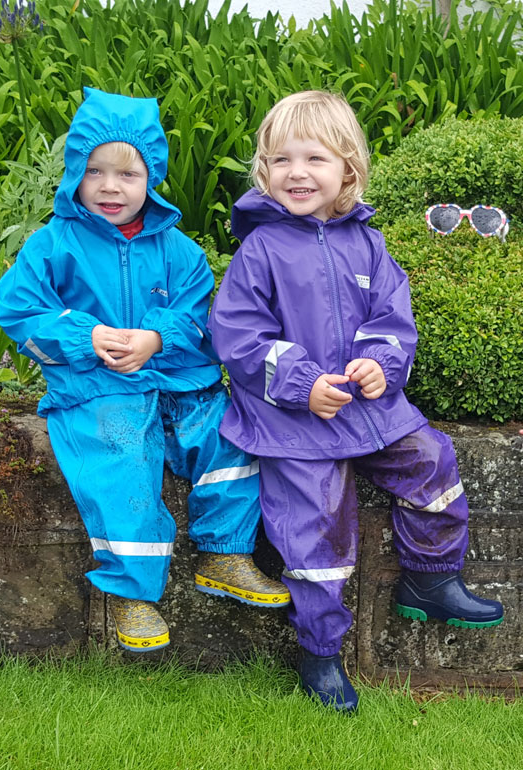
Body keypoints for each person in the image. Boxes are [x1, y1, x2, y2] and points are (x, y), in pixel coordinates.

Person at [208, 91, 504, 712]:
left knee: (432, 458)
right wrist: (301, 382)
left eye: (314, 158)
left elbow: (393, 319)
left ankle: (430, 578)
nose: (296, 173)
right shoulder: (261, 249)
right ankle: (320, 654)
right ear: (264, 172)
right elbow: (237, 335)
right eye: (280, 160)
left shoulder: (367, 244)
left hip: (368, 409)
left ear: (348, 169)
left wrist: (380, 364)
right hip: (294, 421)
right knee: (317, 527)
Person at [0, 87, 289, 654]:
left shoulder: (179, 250)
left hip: (178, 380)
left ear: (151, 178)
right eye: (96, 171)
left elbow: (201, 314)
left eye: (128, 175)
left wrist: (157, 337)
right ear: (74, 172)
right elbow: (20, 309)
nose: (111, 187)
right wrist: (87, 335)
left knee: (229, 434)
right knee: (123, 458)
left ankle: (225, 552)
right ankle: (134, 591)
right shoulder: (53, 245)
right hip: (98, 387)